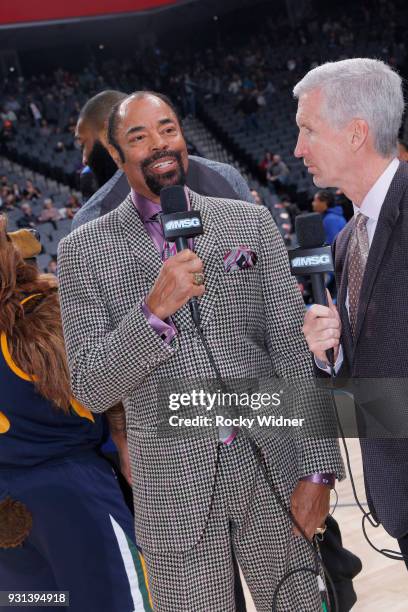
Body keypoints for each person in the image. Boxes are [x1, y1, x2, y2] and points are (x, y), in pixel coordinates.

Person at [58, 91, 343, 611]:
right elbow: (92, 387)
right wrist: (152, 315)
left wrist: (319, 470)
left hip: (271, 475)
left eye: (167, 129)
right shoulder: (82, 250)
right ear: (117, 158)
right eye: (139, 137)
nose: (159, 144)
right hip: (172, 495)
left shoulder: (247, 222)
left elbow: (289, 351)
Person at [0, 219, 152, 611]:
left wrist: (123, 436)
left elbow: (106, 384)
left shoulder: (40, 316)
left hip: (63, 489)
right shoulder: (46, 312)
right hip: (64, 495)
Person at [295, 58, 408, 567]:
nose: (298, 148)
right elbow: (363, 373)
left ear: (357, 132)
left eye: (308, 130)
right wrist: (328, 356)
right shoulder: (345, 243)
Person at [73, 90, 254, 231]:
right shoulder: (92, 220)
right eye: (140, 137)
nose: (85, 158)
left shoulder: (227, 177)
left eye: (168, 130)